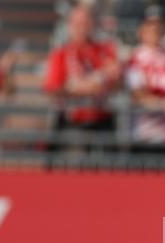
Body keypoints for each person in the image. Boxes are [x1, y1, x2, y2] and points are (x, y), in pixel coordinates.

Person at [43, 4, 120, 153]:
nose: (81, 28)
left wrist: (102, 81)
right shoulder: (61, 54)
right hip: (73, 122)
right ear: (69, 25)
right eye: (77, 23)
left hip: (102, 122)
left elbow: (116, 81)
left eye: (85, 23)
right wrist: (80, 88)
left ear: (92, 24)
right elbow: (52, 88)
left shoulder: (105, 50)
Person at [125, 5, 165, 151]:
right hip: (145, 136)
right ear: (141, 30)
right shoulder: (135, 58)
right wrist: (164, 104)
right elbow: (137, 95)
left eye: (158, 26)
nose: (155, 30)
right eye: (150, 25)